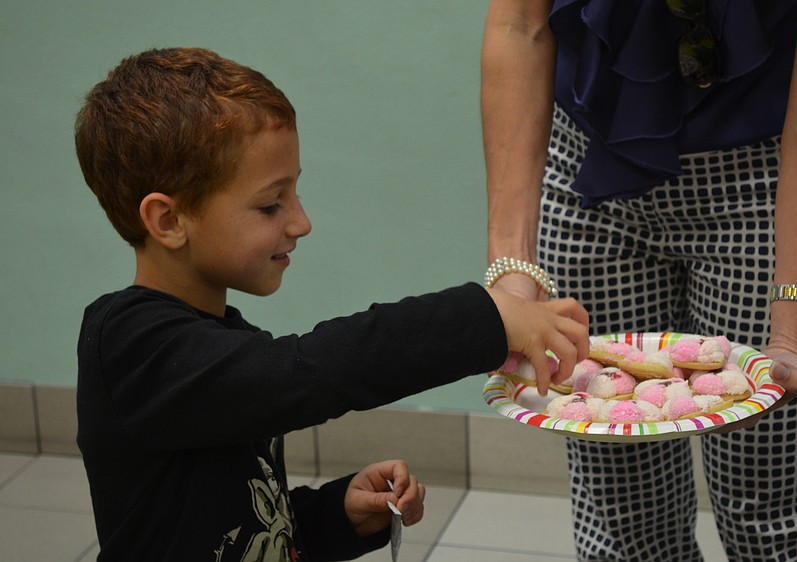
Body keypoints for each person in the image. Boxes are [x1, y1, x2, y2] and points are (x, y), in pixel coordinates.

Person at [74, 47, 590, 562]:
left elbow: (235, 523)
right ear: (168, 221)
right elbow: (312, 371)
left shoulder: (227, 342)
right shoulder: (128, 343)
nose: (300, 222)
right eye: (271, 203)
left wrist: (335, 514)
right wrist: (485, 316)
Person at [481, 1, 797, 561]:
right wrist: (511, 270)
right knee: (623, 511)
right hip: (589, 177)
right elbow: (519, 26)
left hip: (766, 187)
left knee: (776, 510)